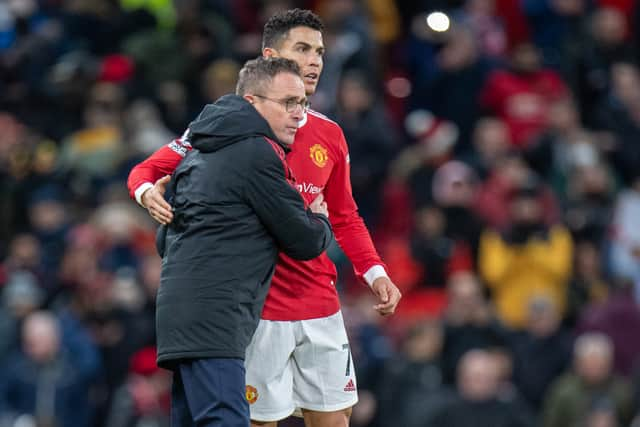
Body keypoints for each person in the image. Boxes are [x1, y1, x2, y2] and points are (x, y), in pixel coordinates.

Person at [127, 9, 402, 427]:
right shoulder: (226, 131)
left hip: (319, 301)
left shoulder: (329, 134)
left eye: (320, 52)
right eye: (302, 49)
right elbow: (145, 170)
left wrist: (375, 272)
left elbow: (345, 215)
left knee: (334, 420)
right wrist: (148, 192)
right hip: (260, 308)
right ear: (271, 57)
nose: (314, 61)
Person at [155, 56, 334, 427]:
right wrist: (319, 216)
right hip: (215, 322)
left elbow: (165, 239)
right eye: (287, 103)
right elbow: (304, 240)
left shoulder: (198, 153)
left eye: (302, 103)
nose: (298, 114)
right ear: (252, 102)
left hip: (181, 319)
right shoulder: (254, 152)